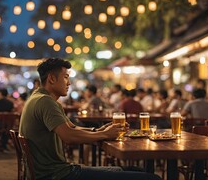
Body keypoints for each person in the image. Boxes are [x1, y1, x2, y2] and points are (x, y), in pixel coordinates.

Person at [19, 58, 161, 180]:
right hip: (57, 175)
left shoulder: (39, 98)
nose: (68, 83)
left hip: (53, 171)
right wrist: (105, 134)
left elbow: (72, 128)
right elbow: (69, 136)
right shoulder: (45, 101)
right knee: (151, 178)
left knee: (137, 171)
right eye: (66, 77)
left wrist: (97, 130)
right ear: (51, 78)